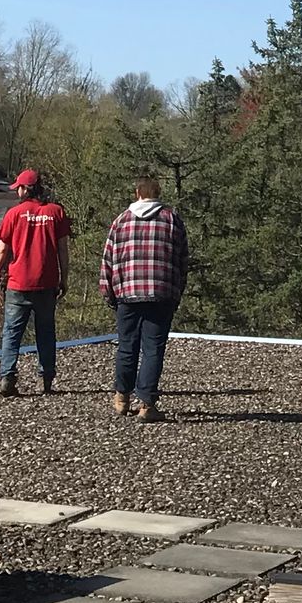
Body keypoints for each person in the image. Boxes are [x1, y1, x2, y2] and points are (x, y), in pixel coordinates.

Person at [98, 172, 189, 423]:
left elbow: (108, 258)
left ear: (137, 193)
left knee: (127, 346)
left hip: (127, 292)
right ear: (157, 193)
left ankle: (121, 398)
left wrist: (108, 290)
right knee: (153, 349)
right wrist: (177, 290)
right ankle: (147, 403)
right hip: (161, 292)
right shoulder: (171, 220)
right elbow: (182, 260)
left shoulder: (122, 221)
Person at [0, 169, 72, 398]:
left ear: (26, 189)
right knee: (46, 332)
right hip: (46, 282)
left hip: (18, 283)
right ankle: (47, 379)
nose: (17, 191)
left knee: (12, 333)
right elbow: (63, 249)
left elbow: (2, 250)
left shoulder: (14, 214)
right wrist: (64, 278)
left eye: (19, 188)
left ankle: (8, 377)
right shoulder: (56, 213)